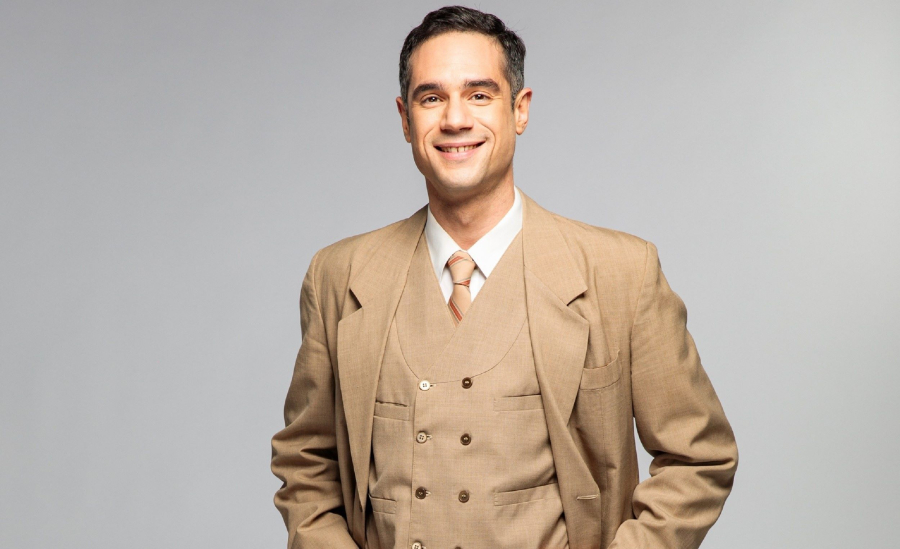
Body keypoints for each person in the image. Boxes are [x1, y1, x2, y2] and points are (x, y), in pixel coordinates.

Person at [271, 6, 738, 549]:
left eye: (479, 94)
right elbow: (305, 465)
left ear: (520, 109)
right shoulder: (339, 276)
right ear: (404, 119)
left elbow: (699, 458)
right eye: (431, 98)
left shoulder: (621, 274)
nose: (455, 119)